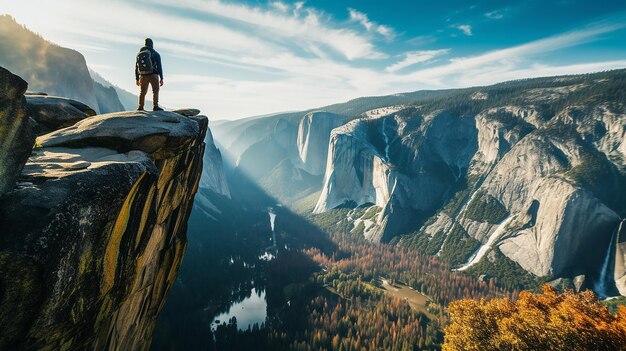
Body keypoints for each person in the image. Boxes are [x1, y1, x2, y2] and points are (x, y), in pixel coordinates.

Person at [135, 38, 164, 111]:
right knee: (155, 90)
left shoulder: (139, 54)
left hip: (143, 75)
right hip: (153, 75)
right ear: (152, 44)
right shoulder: (156, 54)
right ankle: (155, 106)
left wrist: (137, 78)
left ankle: (140, 107)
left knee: (142, 92)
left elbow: (136, 67)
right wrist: (161, 78)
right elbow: (159, 66)